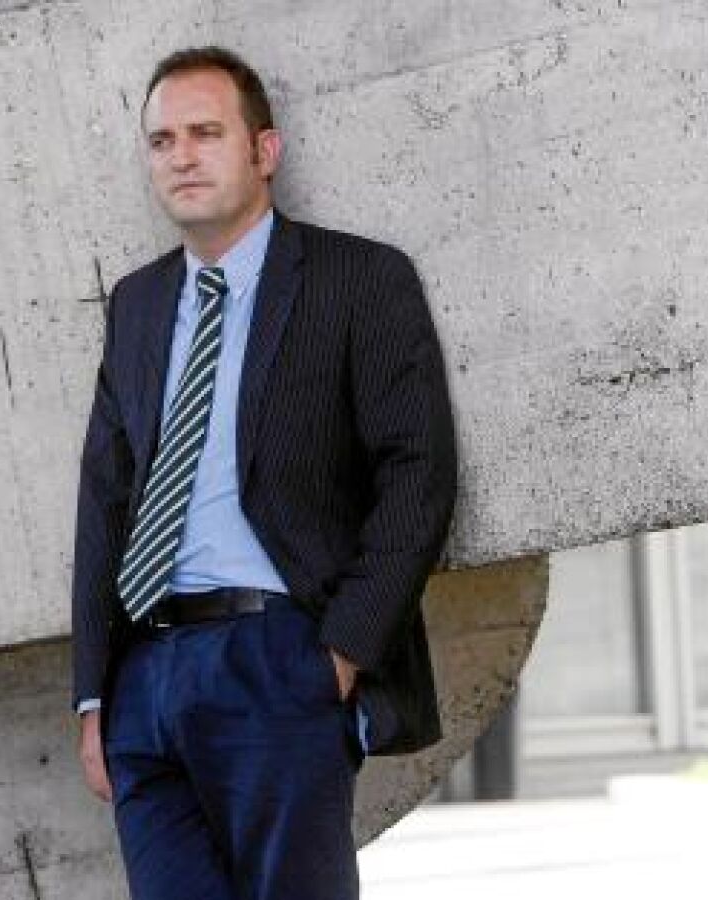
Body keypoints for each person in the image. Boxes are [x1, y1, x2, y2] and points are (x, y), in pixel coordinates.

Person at [71, 46, 458, 900]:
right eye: (162, 140)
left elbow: (418, 474)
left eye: (205, 133)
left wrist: (341, 655)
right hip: (145, 676)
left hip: (277, 655)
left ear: (264, 151)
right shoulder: (137, 304)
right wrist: (94, 694)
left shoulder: (357, 279)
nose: (181, 156)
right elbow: (104, 500)